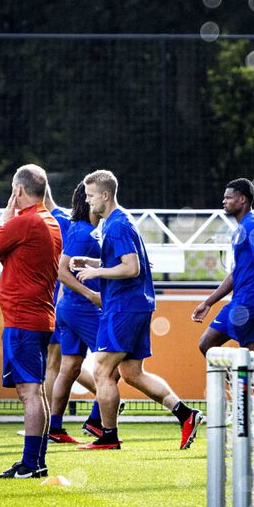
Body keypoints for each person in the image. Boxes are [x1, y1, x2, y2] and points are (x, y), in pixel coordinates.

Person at [73, 170, 202, 450]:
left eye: (91, 195)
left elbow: (132, 267)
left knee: (101, 371)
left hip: (124, 308)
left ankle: (108, 436)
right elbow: (132, 262)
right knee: (132, 373)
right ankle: (186, 414)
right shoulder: (120, 220)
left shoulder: (117, 225)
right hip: (135, 306)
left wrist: (98, 274)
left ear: (105, 195)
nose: (87, 200)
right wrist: (93, 262)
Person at [0, 164, 64, 479]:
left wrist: (4, 217)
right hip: (38, 315)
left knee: (28, 390)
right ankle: (36, 461)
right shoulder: (49, 221)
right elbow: (13, 258)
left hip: (23, 318)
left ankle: (30, 464)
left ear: (18, 191)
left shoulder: (23, 223)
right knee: (35, 389)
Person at [49, 183, 106, 443]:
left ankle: (55, 428)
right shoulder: (84, 233)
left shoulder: (88, 231)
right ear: (88, 200)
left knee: (69, 367)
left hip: (71, 308)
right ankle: (96, 421)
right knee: (113, 362)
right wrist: (91, 295)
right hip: (82, 309)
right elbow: (62, 271)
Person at [192, 178, 254, 353]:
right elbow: (236, 273)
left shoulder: (253, 225)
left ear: (242, 199)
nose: (224, 201)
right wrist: (208, 303)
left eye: (228, 198)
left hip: (246, 303)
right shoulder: (241, 228)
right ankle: (239, 380)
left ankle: (235, 378)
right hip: (247, 302)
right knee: (253, 366)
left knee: (206, 344)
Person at [40, 185, 72, 443]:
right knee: (62, 361)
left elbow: (66, 265)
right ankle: (51, 424)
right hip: (57, 299)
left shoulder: (59, 221)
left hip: (60, 299)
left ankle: (50, 424)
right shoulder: (57, 218)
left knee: (57, 362)